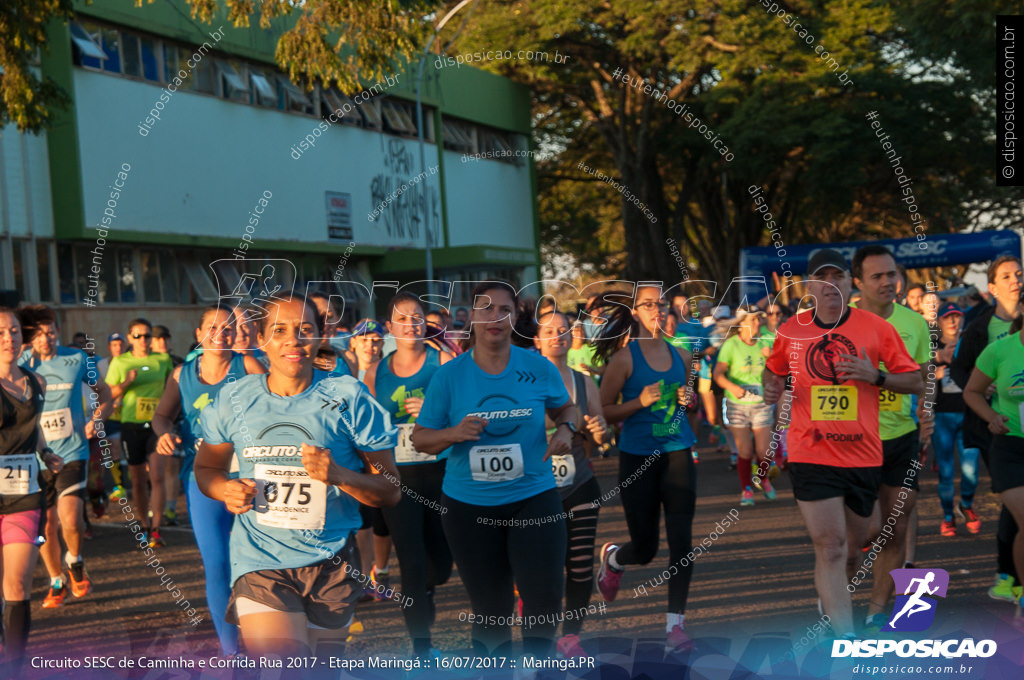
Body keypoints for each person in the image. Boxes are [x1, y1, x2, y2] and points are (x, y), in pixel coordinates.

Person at [194, 295, 401, 660]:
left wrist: (339, 475)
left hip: (332, 563)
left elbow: (389, 491)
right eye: (280, 330)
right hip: (260, 562)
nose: (293, 340)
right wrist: (224, 488)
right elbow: (206, 469)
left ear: (320, 336)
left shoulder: (349, 398)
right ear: (260, 339)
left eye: (305, 330)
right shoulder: (235, 400)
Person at [413, 280, 580, 657]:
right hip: (468, 507)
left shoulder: (536, 367)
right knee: (492, 611)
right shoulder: (449, 377)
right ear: (470, 317)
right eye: (485, 308)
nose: (495, 317)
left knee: (545, 597)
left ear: (515, 318)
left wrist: (567, 429)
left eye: (504, 309)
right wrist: (454, 433)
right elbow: (420, 439)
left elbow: (566, 409)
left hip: (532, 496)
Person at [762, 249, 922, 638]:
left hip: (863, 454)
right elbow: (773, 372)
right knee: (830, 547)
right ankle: (845, 638)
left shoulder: (876, 329)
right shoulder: (792, 330)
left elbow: (917, 381)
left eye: (839, 276)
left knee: (852, 550)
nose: (832, 284)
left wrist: (876, 376)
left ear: (850, 283)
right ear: (810, 286)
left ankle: (832, 600)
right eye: (823, 277)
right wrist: (772, 389)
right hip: (809, 450)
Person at [151, 304, 266, 656]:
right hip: (203, 481)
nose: (221, 334)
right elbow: (161, 415)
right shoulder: (181, 373)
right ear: (199, 335)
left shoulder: (247, 365)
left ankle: (268, 638)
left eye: (228, 328)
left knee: (256, 563)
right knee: (216, 564)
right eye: (212, 328)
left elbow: (276, 405)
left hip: (250, 479)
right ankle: (231, 651)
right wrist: (164, 433)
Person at [592, 283, 700, 653]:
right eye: (649, 305)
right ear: (635, 312)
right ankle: (614, 559)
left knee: (682, 542)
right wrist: (638, 401)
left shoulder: (682, 357)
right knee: (646, 547)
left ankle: (676, 627)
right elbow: (604, 412)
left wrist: (691, 399)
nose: (658, 310)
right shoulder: (623, 360)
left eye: (662, 304)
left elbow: (688, 406)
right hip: (637, 458)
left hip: (678, 452)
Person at [362, 292, 454, 657]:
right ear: (390, 327)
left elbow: (465, 413)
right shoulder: (375, 372)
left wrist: (433, 412)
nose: (411, 325)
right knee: (410, 560)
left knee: (442, 565)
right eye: (402, 319)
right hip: (397, 478)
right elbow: (366, 427)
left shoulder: (443, 362)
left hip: (443, 472)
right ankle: (422, 647)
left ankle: (427, 588)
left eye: (417, 317)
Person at [849, 245, 933, 631]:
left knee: (897, 525)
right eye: (877, 276)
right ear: (858, 282)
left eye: (891, 274)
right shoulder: (841, 322)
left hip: (901, 436)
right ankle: (834, 587)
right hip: (851, 439)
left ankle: (876, 611)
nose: (888, 282)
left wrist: (926, 412)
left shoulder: (914, 324)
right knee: (860, 533)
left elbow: (924, 376)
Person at [17, 305, 112, 609]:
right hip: (35, 455)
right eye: (41, 333)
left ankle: (75, 560)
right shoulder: (20, 362)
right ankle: (56, 579)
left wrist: (96, 420)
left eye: (52, 330)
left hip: (72, 450)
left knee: (70, 520)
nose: (48, 338)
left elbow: (105, 393)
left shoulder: (77, 358)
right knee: (44, 528)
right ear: (30, 337)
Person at [535, 310, 608, 658]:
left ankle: (571, 636)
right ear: (537, 340)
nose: (557, 336)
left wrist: (599, 431)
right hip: (535, 489)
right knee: (544, 568)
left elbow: (601, 429)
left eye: (563, 330)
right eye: (549, 331)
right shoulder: (525, 380)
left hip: (579, 481)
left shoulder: (583, 381)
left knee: (579, 566)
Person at [952, 255, 1023, 603]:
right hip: (995, 431)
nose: (1016, 280)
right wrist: (987, 388)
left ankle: (1010, 575)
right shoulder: (980, 327)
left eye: (1019, 274)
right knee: (1015, 503)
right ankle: (1006, 575)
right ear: (992, 288)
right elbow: (961, 373)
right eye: (1007, 276)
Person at [0, 307, 63, 674]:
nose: (8, 339)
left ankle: (14, 668)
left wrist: (45, 451)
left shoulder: (35, 382)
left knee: (18, 584)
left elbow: (33, 427)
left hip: (23, 492)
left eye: (12, 332)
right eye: (0, 333)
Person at [963, 313, 1024, 624]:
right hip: (1011, 448)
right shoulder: (1000, 350)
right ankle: (1022, 596)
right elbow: (972, 391)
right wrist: (991, 417)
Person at [104, 318, 173, 548]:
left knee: (157, 476)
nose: (143, 340)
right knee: (138, 480)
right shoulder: (121, 362)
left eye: (146, 336)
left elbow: (172, 391)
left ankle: (156, 529)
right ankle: (144, 524)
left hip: (156, 427)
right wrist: (127, 383)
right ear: (130, 338)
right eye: (138, 336)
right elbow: (108, 394)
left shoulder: (162, 360)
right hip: (131, 425)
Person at [713, 306, 776, 505]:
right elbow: (718, 375)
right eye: (752, 320)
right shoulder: (731, 345)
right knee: (746, 451)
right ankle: (746, 489)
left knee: (765, 452)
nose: (757, 323)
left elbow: (781, 372)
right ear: (741, 324)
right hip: (737, 404)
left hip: (761, 403)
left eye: (758, 320)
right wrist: (733, 387)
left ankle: (763, 479)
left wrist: (771, 358)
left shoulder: (766, 341)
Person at [930, 303, 978, 537]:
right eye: (947, 318)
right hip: (942, 418)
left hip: (969, 414)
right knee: (946, 472)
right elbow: (915, 378)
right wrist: (934, 374)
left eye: (957, 317)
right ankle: (948, 517)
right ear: (939, 322)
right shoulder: (931, 348)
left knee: (971, 470)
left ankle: (966, 504)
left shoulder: (970, 344)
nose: (953, 322)